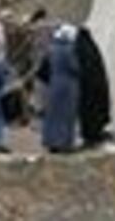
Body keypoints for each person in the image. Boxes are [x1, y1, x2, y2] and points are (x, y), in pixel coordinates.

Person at [38, 24, 80, 153]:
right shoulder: (68, 50)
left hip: (54, 83)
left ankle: (51, 141)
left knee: (53, 115)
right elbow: (74, 67)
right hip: (67, 85)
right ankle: (64, 143)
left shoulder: (52, 49)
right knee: (66, 115)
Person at [75, 26, 111, 147]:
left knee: (89, 112)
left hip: (87, 89)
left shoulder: (81, 49)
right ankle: (94, 135)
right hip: (96, 86)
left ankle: (90, 136)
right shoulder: (93, 49)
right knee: (95, 113)